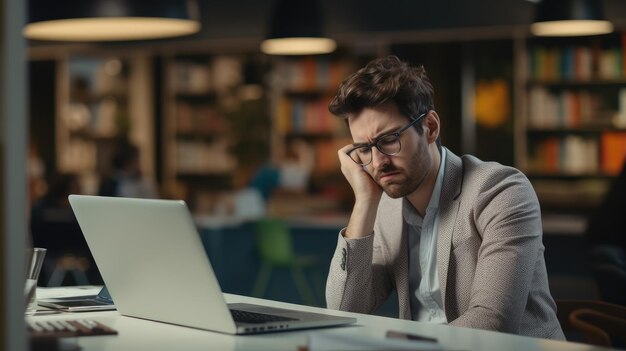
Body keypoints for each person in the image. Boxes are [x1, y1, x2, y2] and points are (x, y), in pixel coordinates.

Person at [325, 56, 565, 339]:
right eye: (364, 149)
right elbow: (345, 308)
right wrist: (364, 202)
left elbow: (493, 323)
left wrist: (399, 345)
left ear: (430, 127)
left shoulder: (501, 192)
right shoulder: (385, 207)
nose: (377, 163)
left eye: (388, 140)